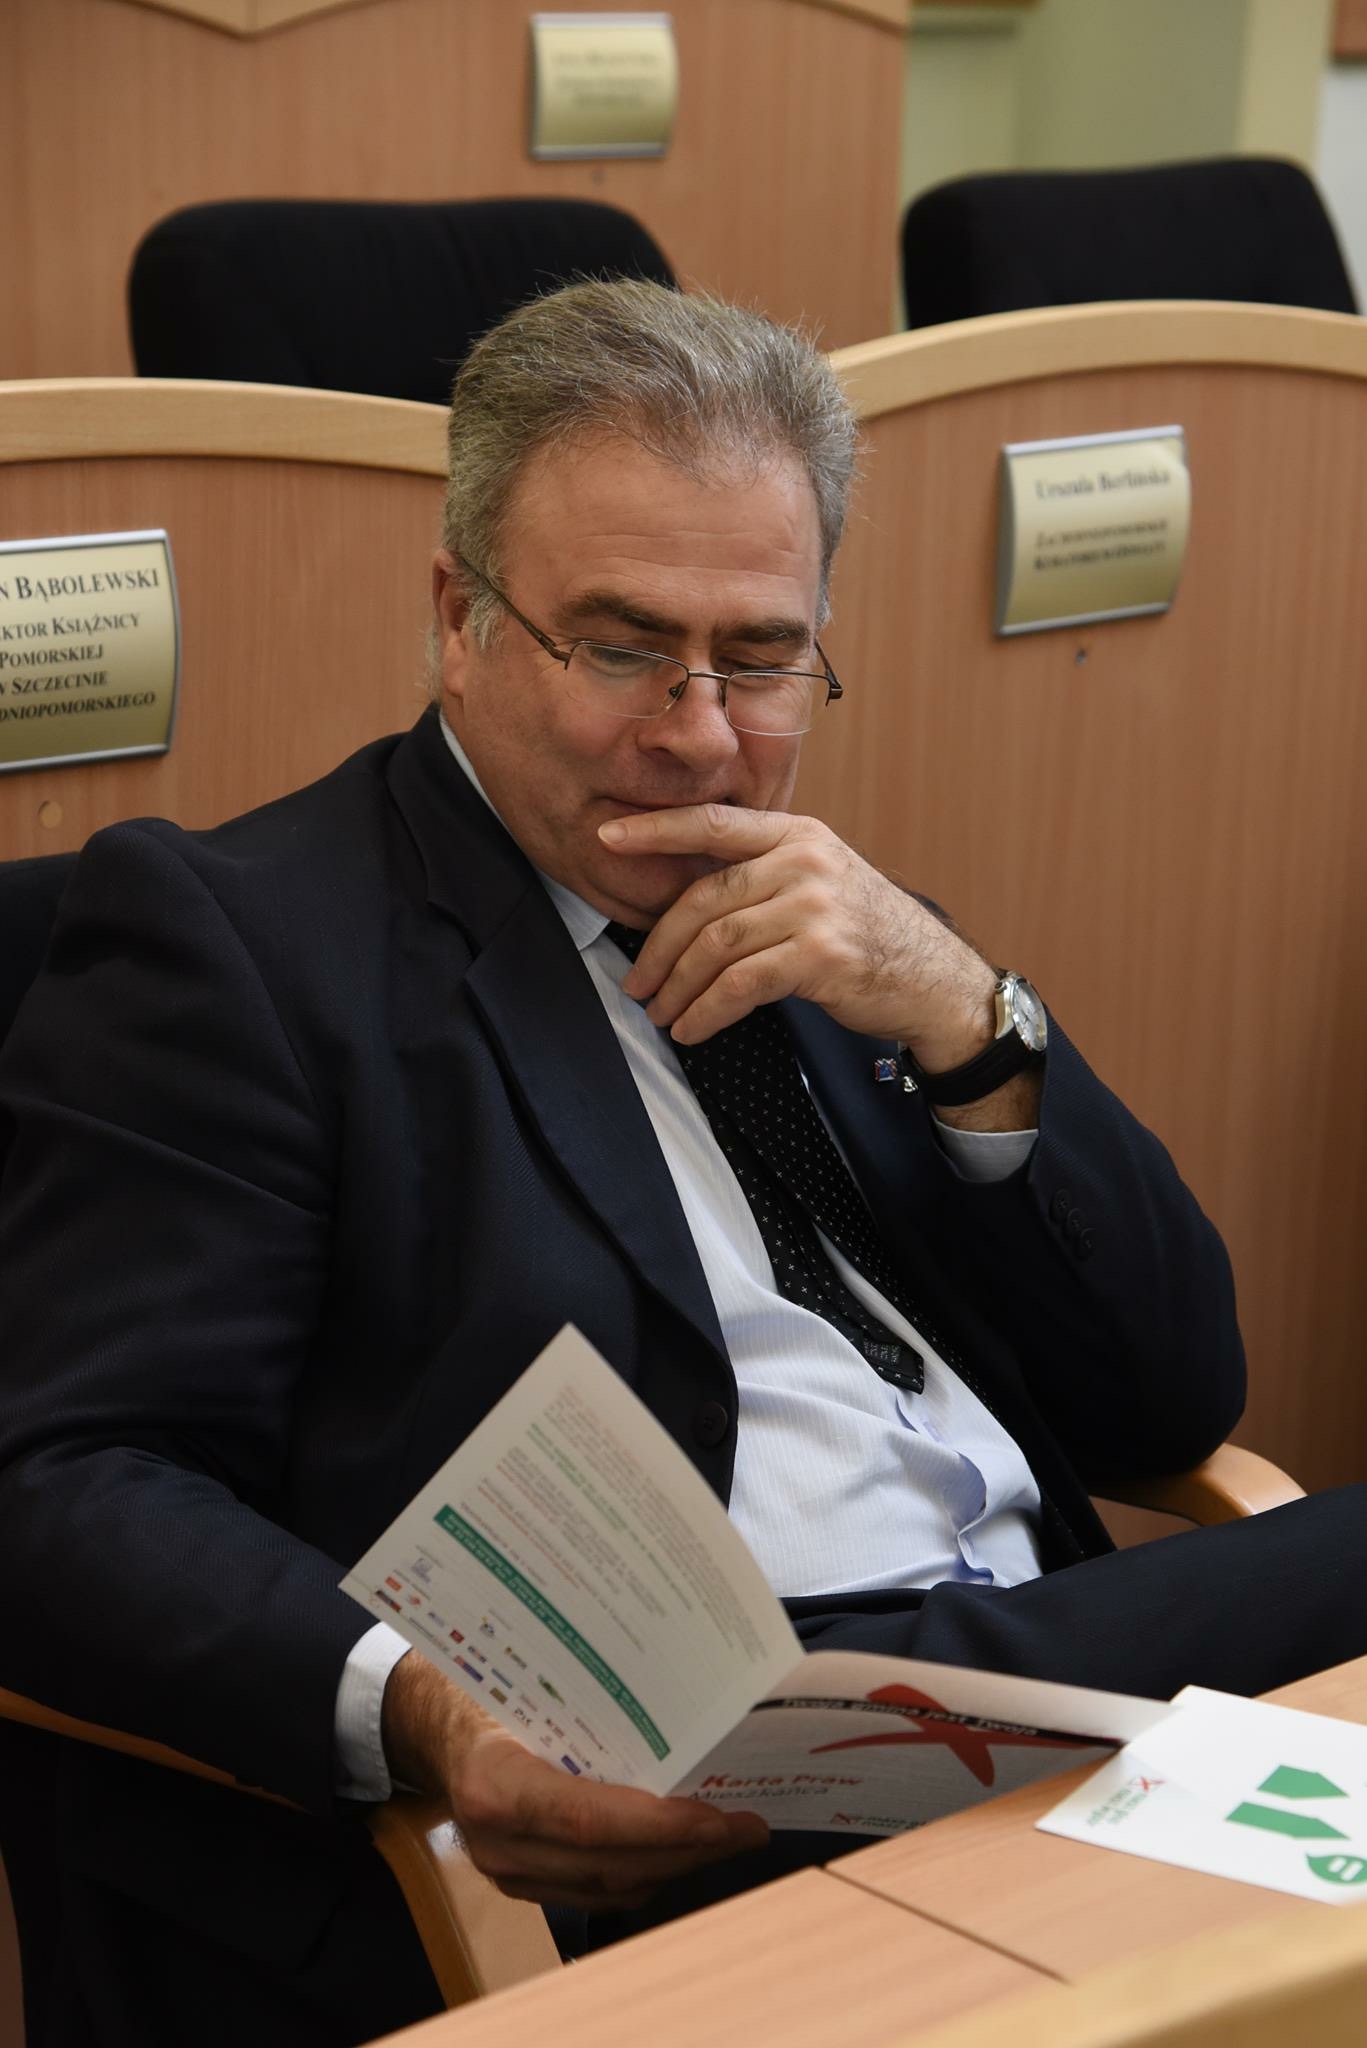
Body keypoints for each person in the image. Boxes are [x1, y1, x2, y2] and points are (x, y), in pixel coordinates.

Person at [0, 279, 1363, 2048]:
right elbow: (68, 1481)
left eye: (762, 657)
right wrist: (429, 1710)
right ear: (461, 621)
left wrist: (972, 1016)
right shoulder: (241, 945)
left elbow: (1174, 1394)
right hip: (695, 1779)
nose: (703, 734)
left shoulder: (839, 927)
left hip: (1033, 1709)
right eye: (624, 647)